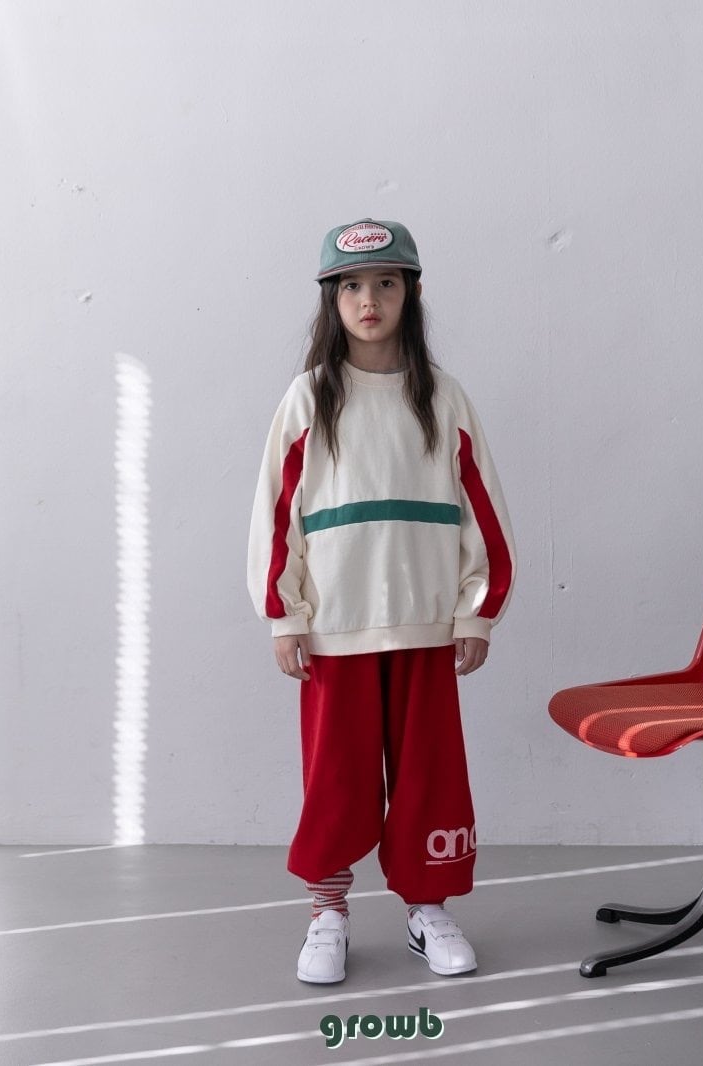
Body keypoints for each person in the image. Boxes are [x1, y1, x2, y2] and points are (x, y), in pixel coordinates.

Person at [248, 218, 515, 984]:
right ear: (332, 300)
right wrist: (284, 614)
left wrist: (476, 608)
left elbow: (483, 509)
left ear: (412, 294)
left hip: (426, 626)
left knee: (430, 776)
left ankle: (427, 909)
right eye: (353, 286)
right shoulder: (309, 398)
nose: (370, 301)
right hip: (336, 630)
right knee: (336, 779)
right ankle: (327, 913)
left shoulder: (444, 397)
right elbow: (277, 512)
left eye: (386, 284)